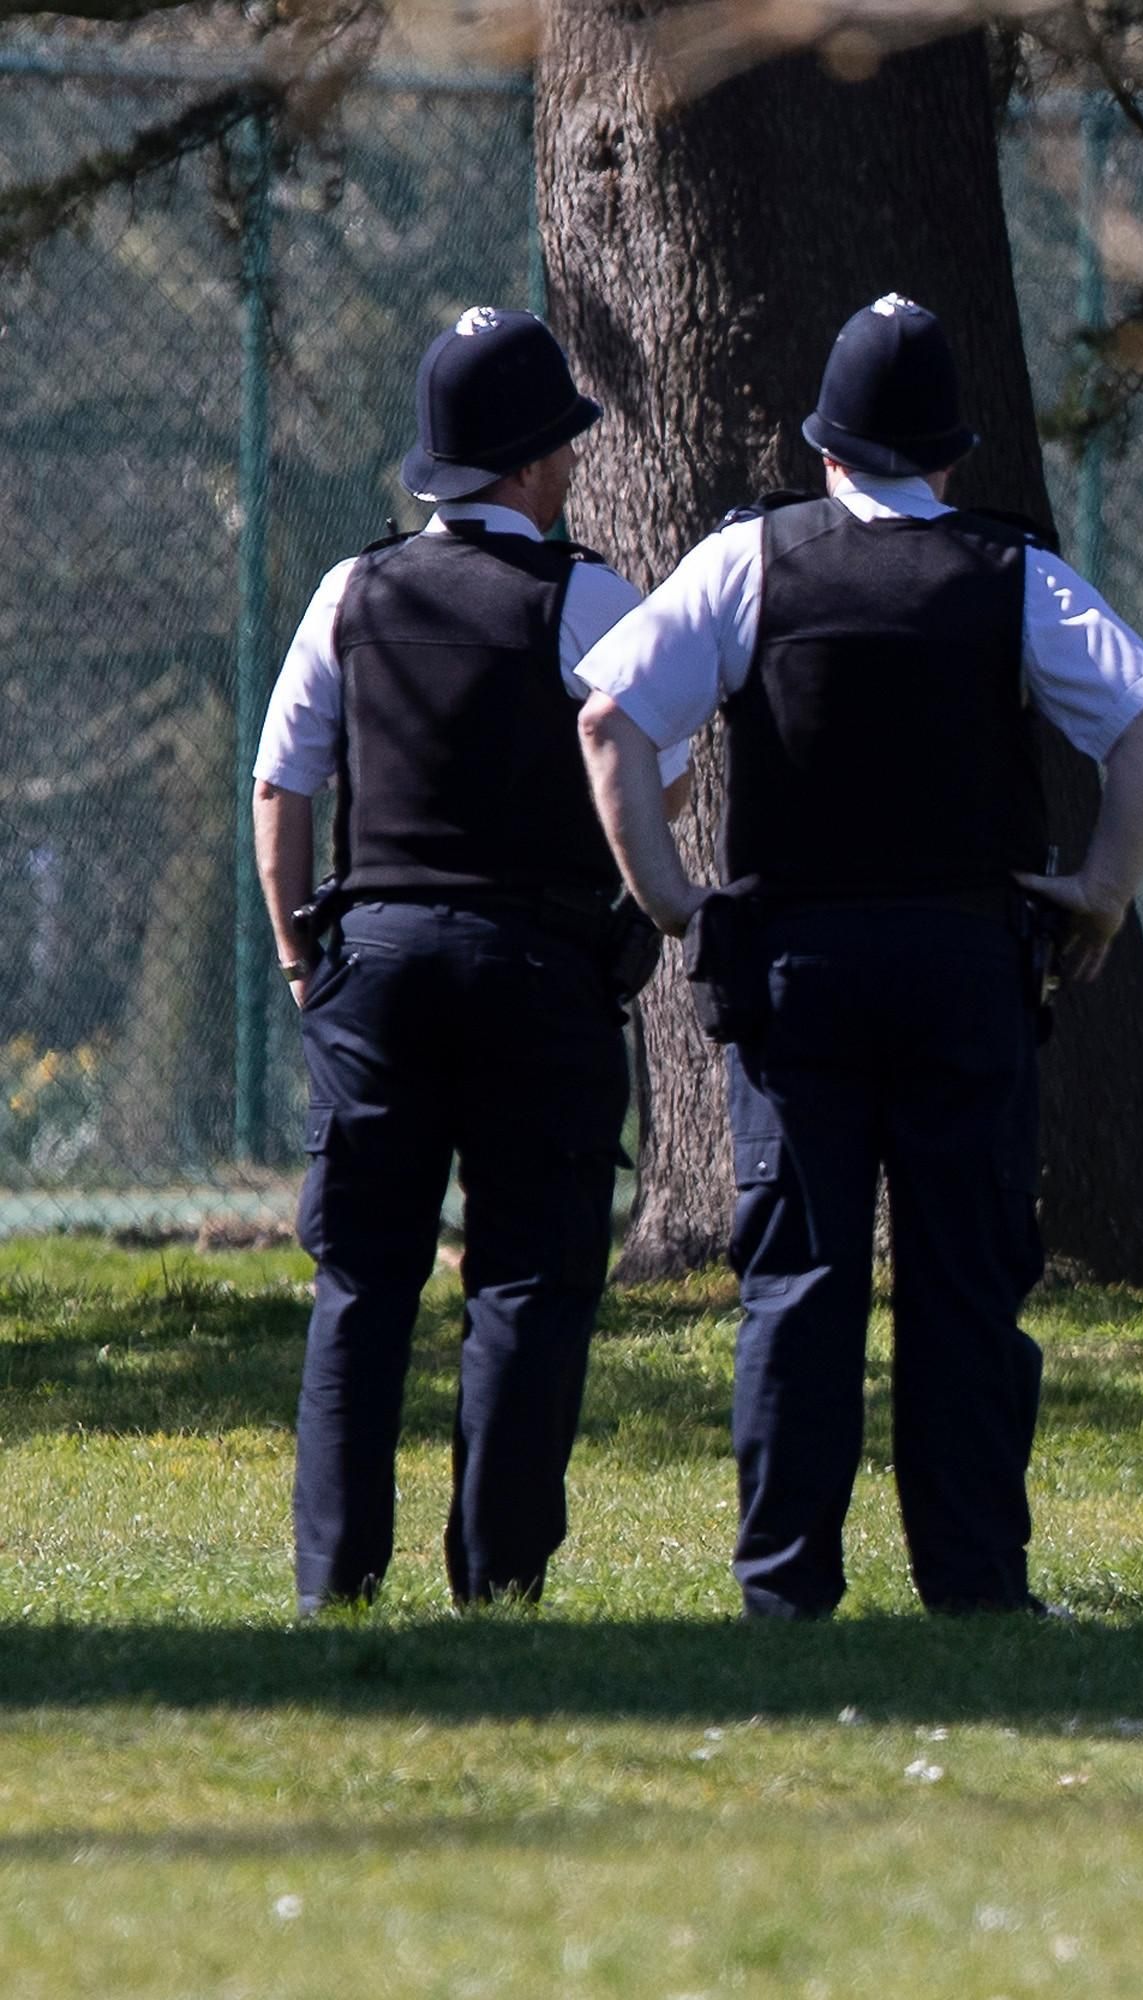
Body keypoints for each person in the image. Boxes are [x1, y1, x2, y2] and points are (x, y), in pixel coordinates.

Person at [573, 293, 1143, 1620]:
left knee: (800, 1285)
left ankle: (786, 1586)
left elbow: (612, 717)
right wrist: (1098, 892)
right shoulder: (1012, 574)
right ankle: (974, 1583)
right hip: (967, 971)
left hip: (796, 972)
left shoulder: (751, 565)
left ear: (828, 450)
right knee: (966, 1281)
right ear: (952, 454)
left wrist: (677, 899)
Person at [254, 306, 685, 1614]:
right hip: (534, 972)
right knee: (527, 1278)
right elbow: (645, 756)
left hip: (373, 963)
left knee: (362, 1280)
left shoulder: (354, 591)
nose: (570, 465)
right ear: (525, 464)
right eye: (560, 444)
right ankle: (496, 1579)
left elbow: (282, 788)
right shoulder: (587, 598)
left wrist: (296, 961)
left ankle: (337, 1581)